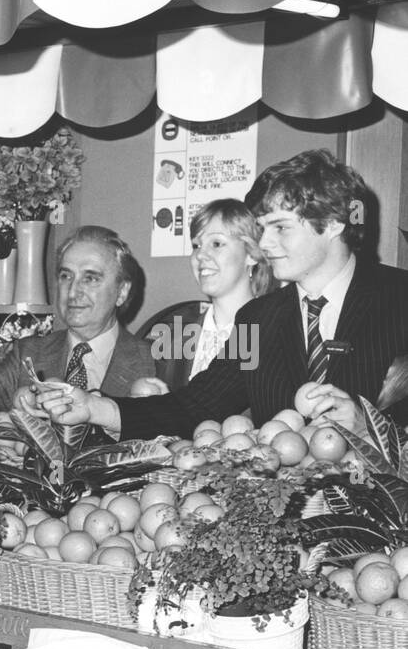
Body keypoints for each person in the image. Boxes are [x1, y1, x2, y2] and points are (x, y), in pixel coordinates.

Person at [36, 150, 408, 439]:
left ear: (332, 224)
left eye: (280, 228)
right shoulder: (257, 319)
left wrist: (371, 430)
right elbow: (195, 406)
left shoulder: (400, 299)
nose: (264, 243)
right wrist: (92, 408)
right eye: (261, 229)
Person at [0, 225, 171, 416]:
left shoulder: (152, 363)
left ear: (121, 292)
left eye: (90, 278)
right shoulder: (30, 352)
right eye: (66, 276)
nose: (73, 291)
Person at [160, 199, 276, 389]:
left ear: (251, 255)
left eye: (216, 243)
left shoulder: (273, 333)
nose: (200, 255)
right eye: (196, 245)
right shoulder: (174, 335)